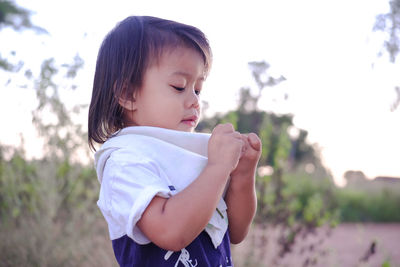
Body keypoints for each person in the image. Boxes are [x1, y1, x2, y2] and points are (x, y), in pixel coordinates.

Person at [88, 16, 261, 266]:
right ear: (127, 94)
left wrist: (243, 174)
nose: (194, 101)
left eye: (197, 89)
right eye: (179, 87)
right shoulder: (125, 161)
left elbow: (235, 232)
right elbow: (171, 231)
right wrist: (218, 168)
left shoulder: (191, 156)